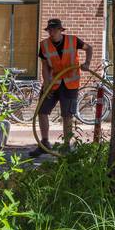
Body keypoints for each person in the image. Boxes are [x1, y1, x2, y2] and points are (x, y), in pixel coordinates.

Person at [32, 18, 92, 154]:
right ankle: (45, 142)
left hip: (70, 84)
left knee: (67, 115)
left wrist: (87, 63)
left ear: (60, 30)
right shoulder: (44, 45)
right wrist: (46, 83)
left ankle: (66, 145)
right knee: (42, 111)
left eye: (54, 30)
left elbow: (89, 48)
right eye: (49, 30)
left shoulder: (73, 40)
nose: (51, 32)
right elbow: (45, 66)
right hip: (53, 83)